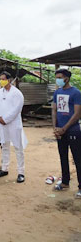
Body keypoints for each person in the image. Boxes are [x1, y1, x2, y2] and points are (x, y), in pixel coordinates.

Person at [0, 71, 27, 183]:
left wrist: (6, 119)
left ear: (9, 79)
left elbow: (17, 109)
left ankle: (21, 172)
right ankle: (4, 168)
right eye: (0, 79)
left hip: (13, 124)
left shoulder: (17, 93)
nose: (2, 81)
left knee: (18, 147)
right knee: (4, 145)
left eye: (3, 79)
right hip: (1, 124)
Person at [52, 69, 81, 197]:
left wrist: (65, 128)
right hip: (60, 131)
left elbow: (77, 113)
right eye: (56, 77)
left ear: (67, 78)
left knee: (77, 158)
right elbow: (54, 110)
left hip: (73, 130)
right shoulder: (57, 92)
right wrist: (55, 128)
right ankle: (65, 182)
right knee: (62, 156)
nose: (58, 80)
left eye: (60, 77)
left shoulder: (76, 93)